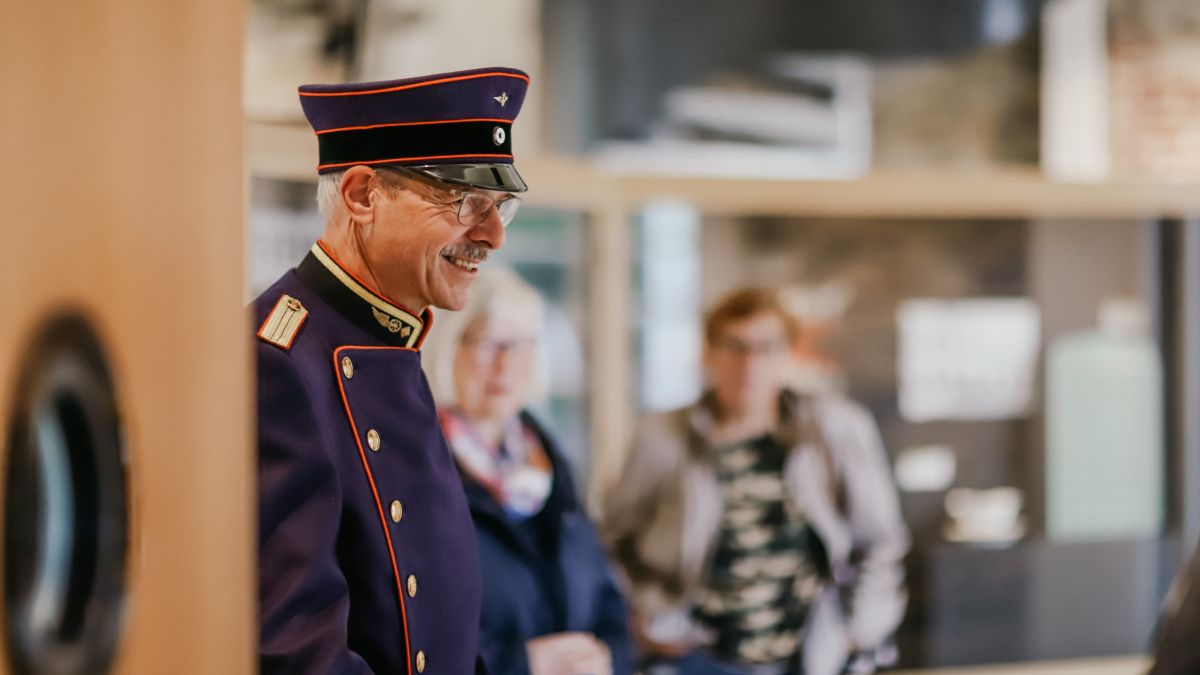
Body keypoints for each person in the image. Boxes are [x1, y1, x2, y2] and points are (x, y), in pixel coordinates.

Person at [253, 67, 530, 674]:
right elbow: (296, 650)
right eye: (466, 201)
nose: (492, 236)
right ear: (361, 196)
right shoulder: (277, 362)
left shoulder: (394, 336)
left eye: (500, 208)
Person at [603, 288, 909, 675]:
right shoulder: (661, 436)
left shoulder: (835, 429)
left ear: (789, 353)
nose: (750, 363)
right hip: (695, 657)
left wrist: (860, 628)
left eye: (767, 348)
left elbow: (879, 540)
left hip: (812, 654)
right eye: (735, 347)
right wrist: (644, 614)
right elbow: (614, 538)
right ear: (708, 353)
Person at [421, 267, 633, 675]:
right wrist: (521, 665)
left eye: (521, 345)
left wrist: (607, 657)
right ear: (447, 346)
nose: (506, 364)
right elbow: (410, 633)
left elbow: (607, 599)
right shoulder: (418, 468)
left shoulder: (549, 464)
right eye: (488, 344)